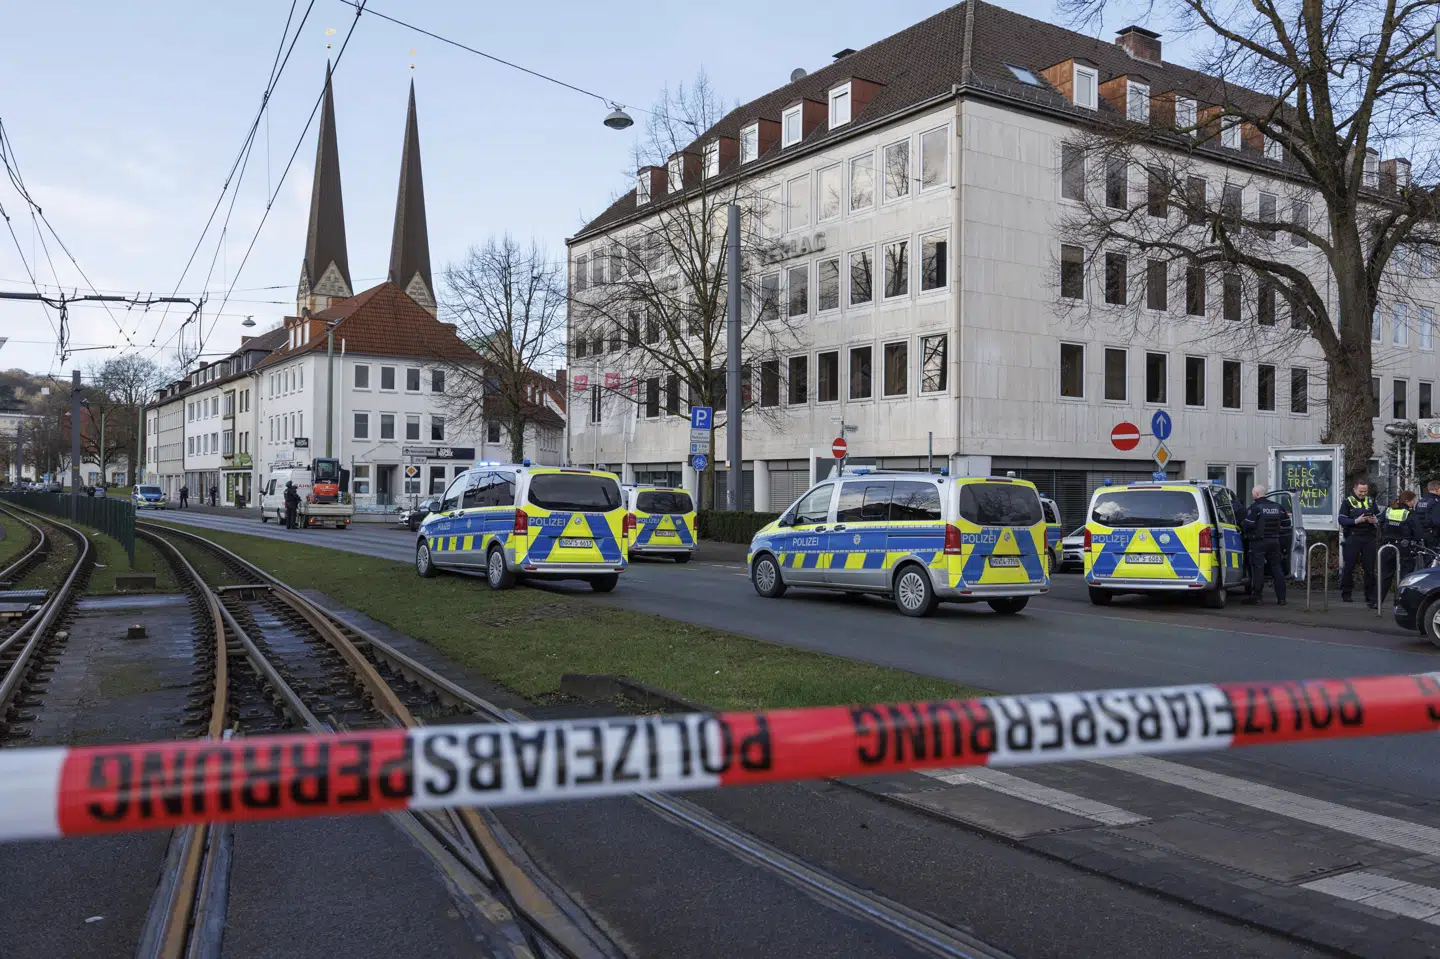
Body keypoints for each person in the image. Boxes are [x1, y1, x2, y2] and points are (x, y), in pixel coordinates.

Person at [1242, 486, 1290, 605]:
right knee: (1277, 569)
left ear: (1257, 494)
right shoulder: (1277, 507)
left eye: (1252, 493)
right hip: (1275, 541)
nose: (1252, 495)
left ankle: (1257, 597)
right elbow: (1287, 523)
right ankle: (1282, 598)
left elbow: (1248, 524)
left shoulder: (1255, 507)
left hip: (1258, 542)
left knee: (1258, 569)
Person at [1338, 478, 1381, 607]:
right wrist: (1356, 521)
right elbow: (1342, 520)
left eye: (1365, 491)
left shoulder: (1371, 501)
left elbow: (1379, 516)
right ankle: (1346, 593)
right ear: (1354, 489)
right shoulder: (1347, 502)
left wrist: (1375, 520)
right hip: (1353, 537)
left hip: (1368, 537)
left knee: (1369, 568)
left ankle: (1369, 595)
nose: (1363, 494)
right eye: (1360, 491)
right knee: (1349, 566)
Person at [1379, 490, 1420, 605]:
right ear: (1407, 501)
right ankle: (1401, 602)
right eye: (1413, 501)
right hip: (1404, 548)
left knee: (1385, 575)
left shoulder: (1388, 510)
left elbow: (1380, 523)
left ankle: (1376, 601)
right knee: (1405, 576)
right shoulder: (1409, 514)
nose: (1414, 503)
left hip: (1387, 546)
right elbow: (1418, 533)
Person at [1416, 479, 1440, 549]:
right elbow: (1437, 521)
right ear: (1437, 489)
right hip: (1434, 535)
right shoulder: (1436, 501)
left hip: (1422, 533)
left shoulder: (1421, 500)